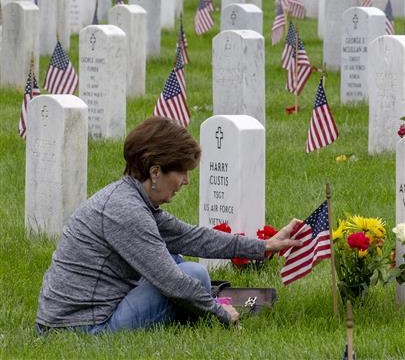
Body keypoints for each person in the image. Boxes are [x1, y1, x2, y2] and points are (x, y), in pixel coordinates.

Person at [36, 116, 302, 334]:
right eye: (182, 172)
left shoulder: (131, 198)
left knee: (176, 259)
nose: (185, 181)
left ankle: (211, 301)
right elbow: (172, 281)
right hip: (82, 327)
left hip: (74, 318)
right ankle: (215, 304)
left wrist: (265, 245)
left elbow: (192, 238)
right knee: (192, 275)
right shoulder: (126, 210)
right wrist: (220, 313)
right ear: (155, 172)